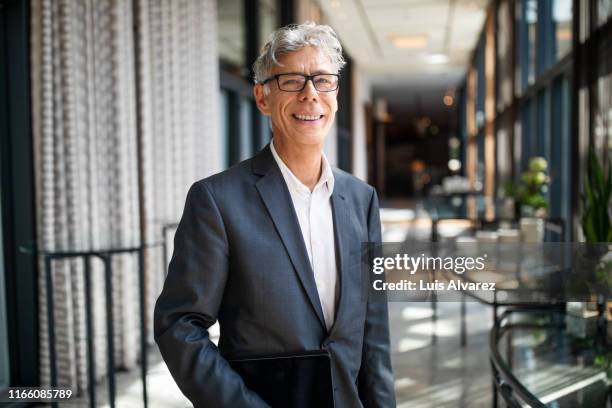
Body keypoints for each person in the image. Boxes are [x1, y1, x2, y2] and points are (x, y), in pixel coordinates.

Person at [154, 21, 395, 408]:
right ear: (262, 98)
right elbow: (179, 325)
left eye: (322, 80)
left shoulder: (362, 199)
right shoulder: (217, 199)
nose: (310, 95)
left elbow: (375, 333)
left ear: (336, 93)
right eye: (292, 81)